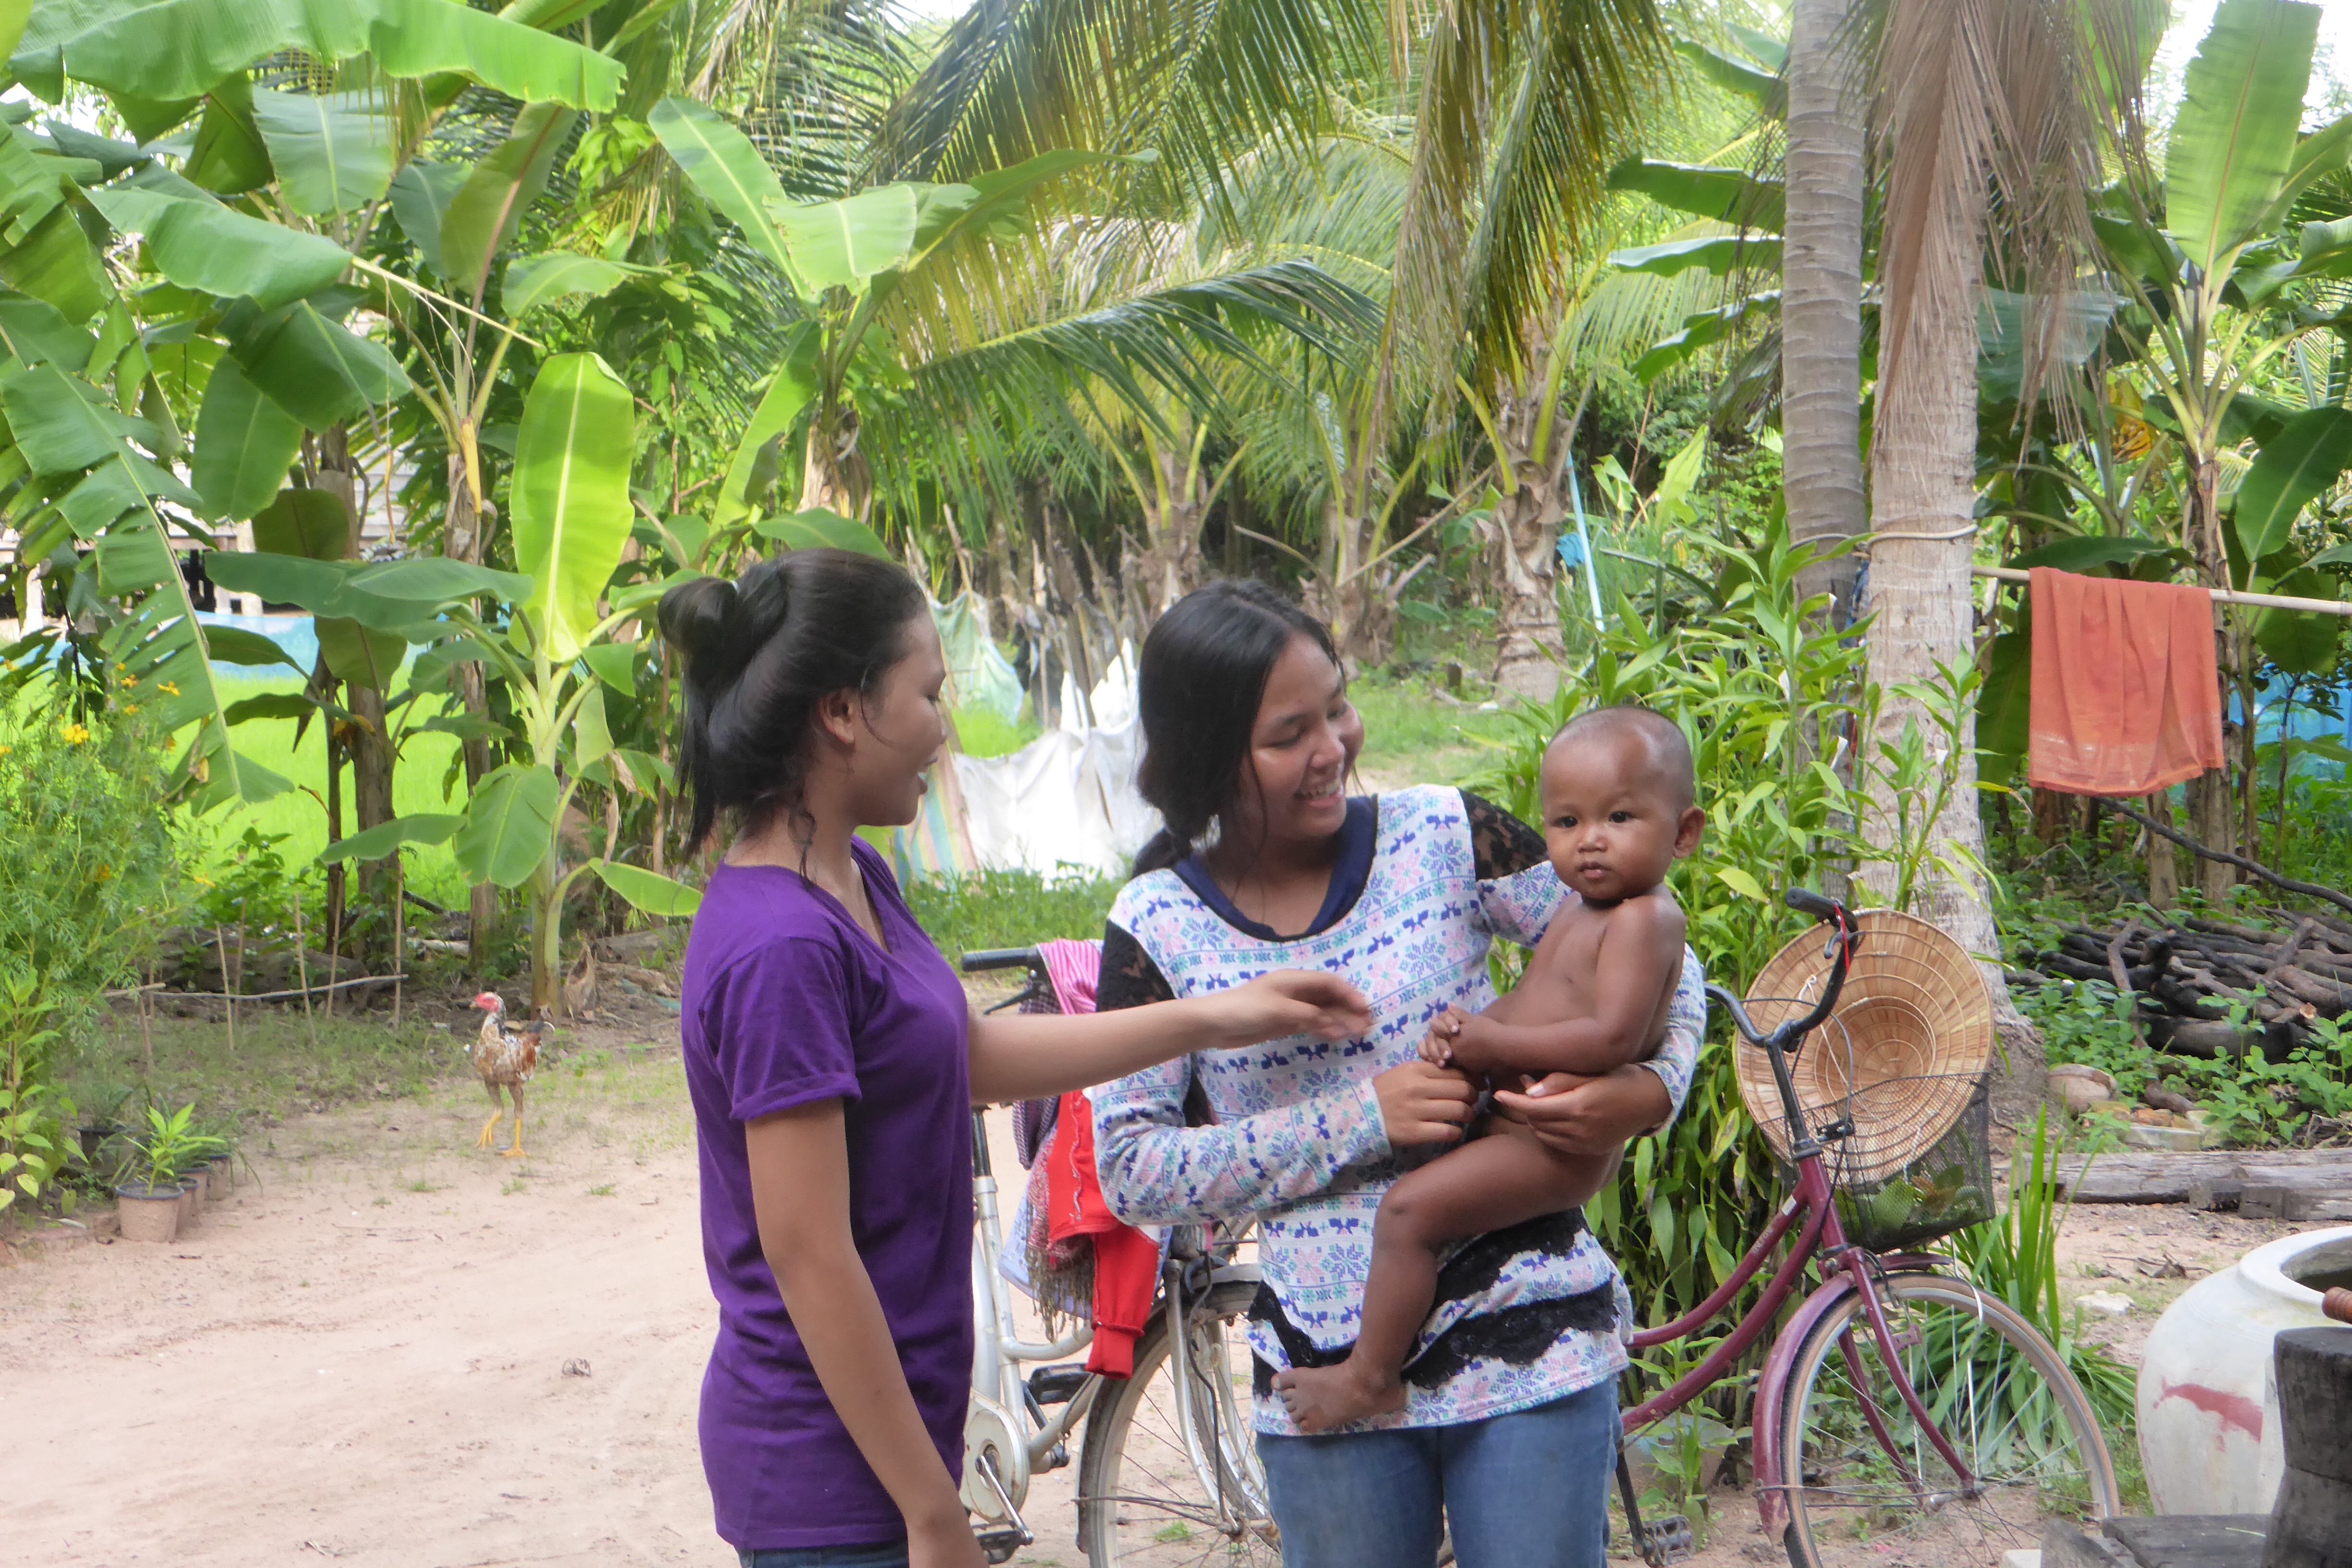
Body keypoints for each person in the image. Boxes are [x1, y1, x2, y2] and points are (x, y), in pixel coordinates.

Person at [660, 551, 1372, 1568]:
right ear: (843, 714)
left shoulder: (848, 873)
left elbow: (973, 1054)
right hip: (828, 1478)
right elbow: (808, 1252)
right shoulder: (782, 948)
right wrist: (930, 1511)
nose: (944, 729)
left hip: (886, 1447)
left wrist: (1216, 1017)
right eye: (929, 695)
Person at [1090, 579, 1708, 1568]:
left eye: (1337, 708)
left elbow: (1661, 958)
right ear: (1209, 756)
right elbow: (1131, 1168)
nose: (1334, 746)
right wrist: (1362, 1118)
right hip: (1326, 1365)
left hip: (1526, 1334)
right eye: (1289, 734)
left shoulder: (1444, 835)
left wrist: (1648, 1093)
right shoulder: (1157, 925)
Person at [1272, 705, 1705, 1433]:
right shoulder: (1582, 906)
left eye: (1620, 817)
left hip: (1551, 1145)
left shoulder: (1644, 919)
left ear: (1684, 833)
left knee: (1408, 1214)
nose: (1590, 840)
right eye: (1567, 822)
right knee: (1414, 1174)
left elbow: (1610, 1039)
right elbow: (1542, 1000)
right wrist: (1470, 1028)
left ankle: (1371, 1378)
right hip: (1518, 1121)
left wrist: (1494, 1045)